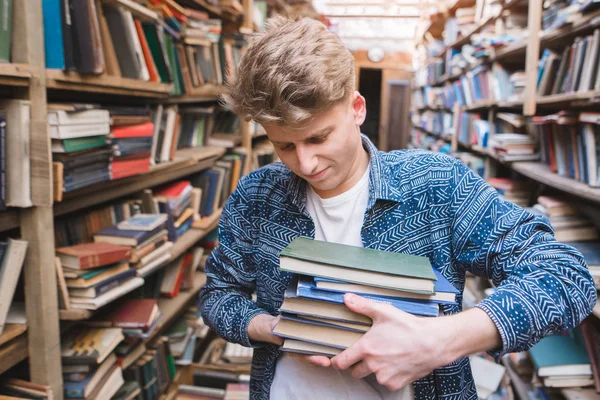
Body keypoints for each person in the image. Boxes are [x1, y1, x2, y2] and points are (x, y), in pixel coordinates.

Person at [199, 16, 597, 400]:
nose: (306, 164)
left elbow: (564, 275)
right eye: (285, 145)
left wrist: (443, 340)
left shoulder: (436, 184)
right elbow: (218, 295)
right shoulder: (257, 194)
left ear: (357, 108)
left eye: (319, 138)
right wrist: (275, 327)